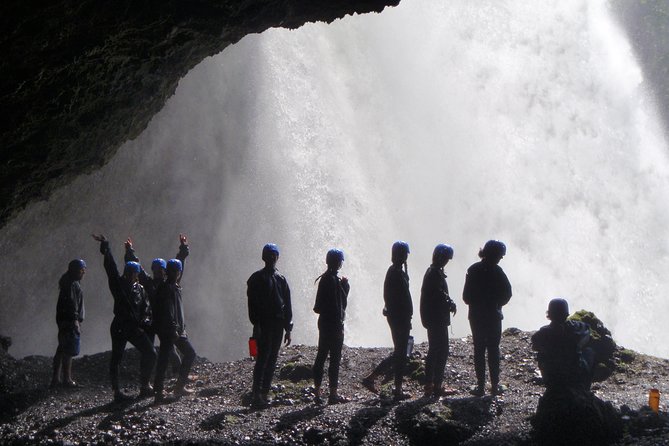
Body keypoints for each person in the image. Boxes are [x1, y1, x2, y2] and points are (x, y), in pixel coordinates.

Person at [92, 234, 157, 402]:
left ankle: (145, 386)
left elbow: (146, 308)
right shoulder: (119, 284)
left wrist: (145, 322)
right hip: (121, 325)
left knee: (150, 352)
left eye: (132, 272)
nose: (130, 275)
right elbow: (111, 268)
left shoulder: (140, 288)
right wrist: (106, 248)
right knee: (117, 357)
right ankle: (116, 392)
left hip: (133, 327)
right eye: (129, 272)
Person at [124, 235, 189, 373]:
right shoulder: (149, 283)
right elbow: (138, 268)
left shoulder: (169, 283)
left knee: (171, 350)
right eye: (156, 269)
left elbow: (179, 264)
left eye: (161, 269)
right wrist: (130, 251)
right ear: (153, 270)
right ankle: (153, 378)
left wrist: (183, 249)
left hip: (166, 323)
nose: (158, 272)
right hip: (154, 321)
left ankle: (175, 374)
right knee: (155, 350)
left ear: (165, 271)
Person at [362, 241, 413, 401]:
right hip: (399, 317)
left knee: (400, 352)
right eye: (404, 254)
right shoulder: (395, 273)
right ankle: (395, 388)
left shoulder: (396, 271)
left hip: (399, 316)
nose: (405, 257)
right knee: (400, 353)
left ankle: (374, 378)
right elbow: (395, 297)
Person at [462, 239, 512, 396]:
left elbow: (466, 297)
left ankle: (481, 386)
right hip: (493, 316)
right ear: (494, 254)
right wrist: (497, 305)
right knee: (493, 349)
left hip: (476, 316)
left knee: (479, 349)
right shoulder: (498, 272)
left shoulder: (473, 270)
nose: (501, 258)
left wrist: (477, 304)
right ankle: (495, 386)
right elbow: (508, 293)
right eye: (500, 255)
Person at [247, 243, 293, 408]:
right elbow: (252, 304)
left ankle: (264, 393)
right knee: (262, 359)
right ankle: (256, 394)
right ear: (264, 257)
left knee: (272, 358)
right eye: (269, 255)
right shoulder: (256, 279)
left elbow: (287, 304)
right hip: (264, 323)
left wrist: (288, 328)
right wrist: (256, 324)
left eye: (274, 255)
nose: (272, 258)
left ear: (277, 257)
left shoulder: (281, 279)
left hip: (278, 324)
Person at [153, 258, 197, 404]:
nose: (176, 273)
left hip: (175, 329)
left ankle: (174, 388)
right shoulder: (167, 289)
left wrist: (183, 252)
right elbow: (168, 311)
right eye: (175, 271)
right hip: (171, 330)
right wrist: (174, 328)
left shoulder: (173, 286)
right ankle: (165, 391)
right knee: (167, 359)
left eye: (177, 271)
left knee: (167, 359)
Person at [312, 248, 350, 405]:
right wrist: (345, 287)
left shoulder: (324, 279)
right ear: (338, 262)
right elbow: (341, 305)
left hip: (324, 323)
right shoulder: (334, 280)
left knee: (321, 356)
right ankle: (332, 394)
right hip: (334, 325)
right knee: (334, 359)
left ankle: (317, 393)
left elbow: (317, 307)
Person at [531, 298, 594, 391]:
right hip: (573, 377)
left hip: (551, 378)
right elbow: (587, 330)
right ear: (566, 314)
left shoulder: (543, 333)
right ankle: (585, 388)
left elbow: (534, 344)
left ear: (549, 314)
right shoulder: (575, 329)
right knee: (589, 352)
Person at [420, 244, 457, 398]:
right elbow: (438, 295)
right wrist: (449, 302)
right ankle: (435, 386)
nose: (446, 262)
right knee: (440, 351)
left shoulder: (433, 272)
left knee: (436, 350)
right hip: (436, 319)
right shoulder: (434, 274)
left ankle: (432, 385)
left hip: (433, 318)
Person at [50, 259, 86, 389]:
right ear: (76, 270)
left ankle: (55, 379)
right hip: (69, 320)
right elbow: (72, 303)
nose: (84, 272)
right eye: (82, 270)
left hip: (64, 319)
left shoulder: (68, 282)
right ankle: (67, 380)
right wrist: (76, 320)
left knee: (61, 348)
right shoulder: (72, 284)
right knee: (68, 350)